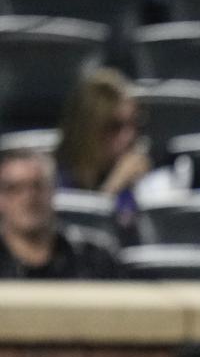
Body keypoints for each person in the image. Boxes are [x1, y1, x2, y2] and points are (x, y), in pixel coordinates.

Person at [55, 67, 152, 245]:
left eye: (135, 124)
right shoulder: (56, 178)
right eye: (115, 126)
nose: (130, 137)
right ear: (87, 129)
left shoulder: (143, 175)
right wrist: (112, 189)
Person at [0, 150, 123, 279]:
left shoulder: (94, 258)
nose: (29, 198)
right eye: (14, 188)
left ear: (53, 190)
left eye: (37, 186)